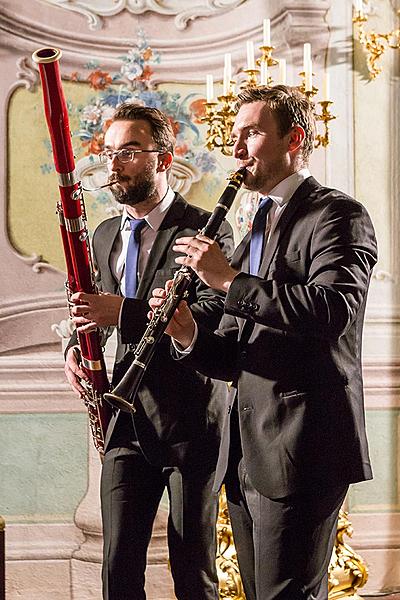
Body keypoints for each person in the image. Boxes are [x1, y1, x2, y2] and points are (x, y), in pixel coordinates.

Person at [150, 85, 378, 600]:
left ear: (293, 138)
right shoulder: (257, 223)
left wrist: (229, 280)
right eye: (234, 135)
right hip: (247, 452)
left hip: (303, 445)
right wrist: (187, 331)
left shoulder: (338, 214)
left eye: (250, 133)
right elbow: (237, 350)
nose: (235, 150)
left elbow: (332, 312)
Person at [64, 103, 234, 600]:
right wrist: (75, 350)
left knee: (193, 568)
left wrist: (125, 313)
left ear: (164, 157)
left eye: (130, 152)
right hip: (125, 417)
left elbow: (212, 315)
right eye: (109, 153)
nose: (114, 164)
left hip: (192, 419)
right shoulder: (102, 234)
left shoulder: (206, 230)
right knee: (117, 569)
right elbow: (88, 309)